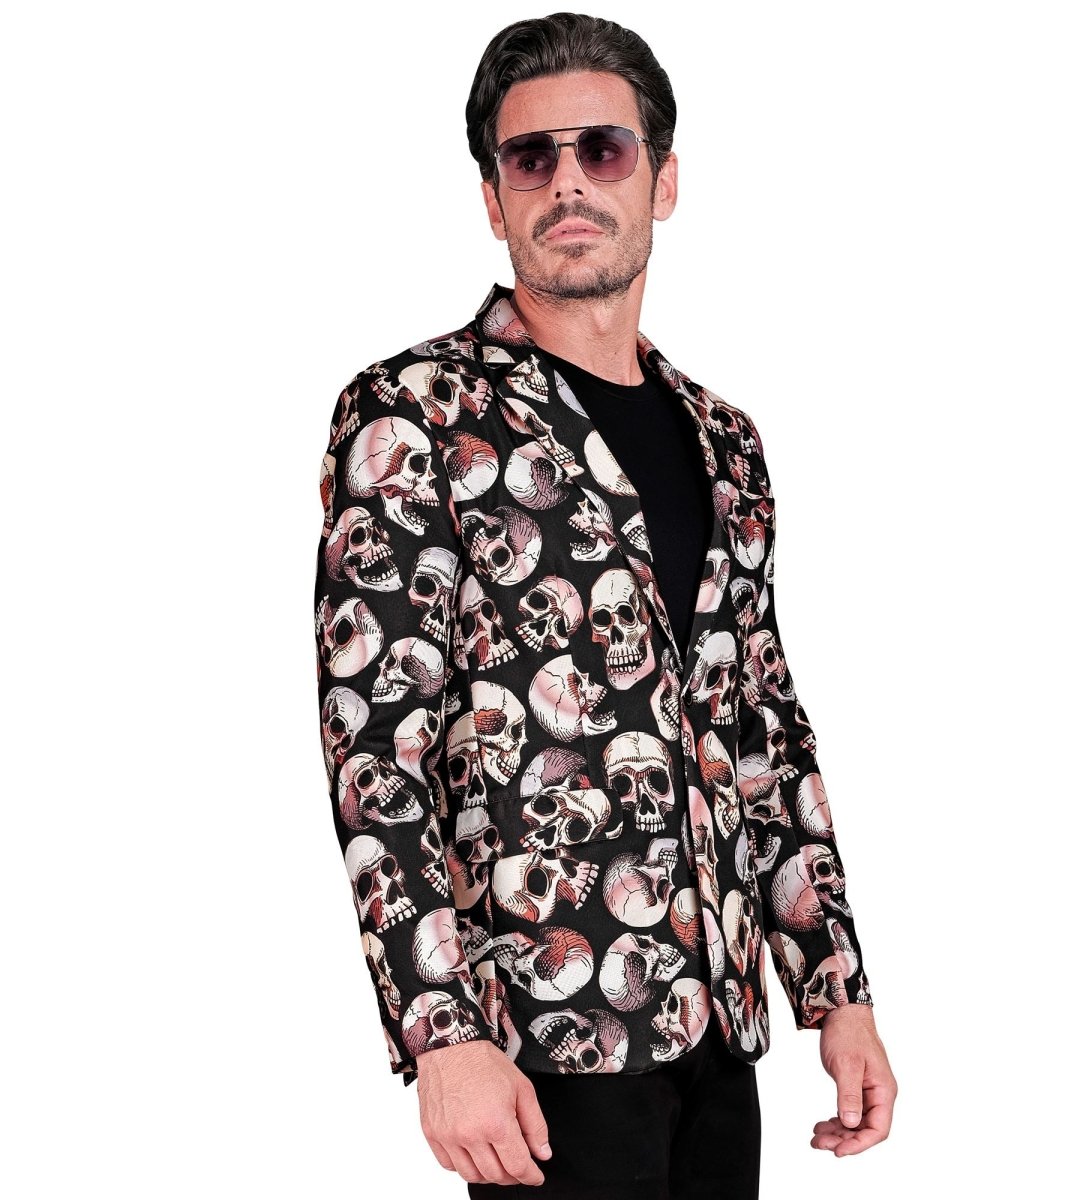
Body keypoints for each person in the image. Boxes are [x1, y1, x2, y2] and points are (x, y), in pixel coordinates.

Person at [313, 12, 897, 1196]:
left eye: (604, 149)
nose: (568, 182)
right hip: (542, 1038)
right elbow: (377, 747)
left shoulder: (726, 440)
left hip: (720, 1023)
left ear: (662, 181)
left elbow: (762, 728)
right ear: (494, 199)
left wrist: (837, 991)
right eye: (531, 158)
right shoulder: (413, 414)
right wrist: (441, 1031)